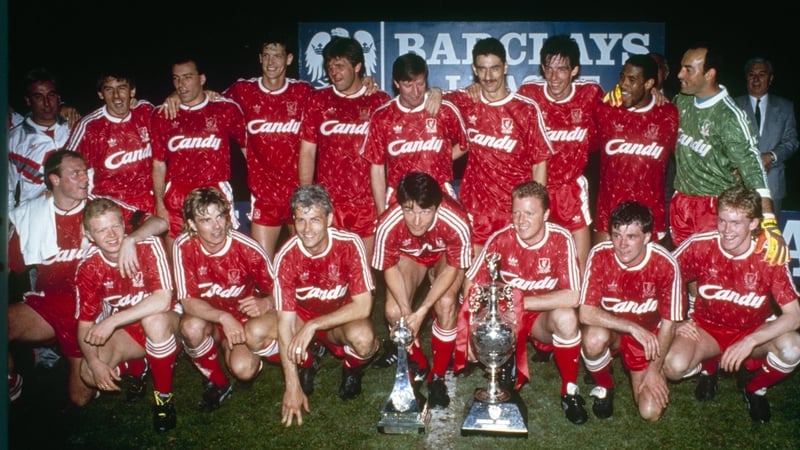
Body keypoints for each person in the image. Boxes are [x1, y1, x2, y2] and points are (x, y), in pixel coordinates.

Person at [7, 149, 168, 407]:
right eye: (76, 173)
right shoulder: (32, 214)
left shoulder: (99, 210)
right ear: (54, 179)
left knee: (80, 396)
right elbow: (9, 265)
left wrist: (132, 238)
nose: (85, 179)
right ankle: (10, 380)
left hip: (91, 308)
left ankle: (131, 361)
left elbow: (159, 223)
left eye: (85, 172)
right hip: (48, 305)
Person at [664, 186, 800, 423]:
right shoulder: (701, 244)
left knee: (793, 348)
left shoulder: (769, 254)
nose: (726, 230)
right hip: (707, 329)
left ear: (754, 223)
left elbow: (794, 316)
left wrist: (750, 341)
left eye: (736, 223)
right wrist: (676, 322)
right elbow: (660, 277)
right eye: (722, 220)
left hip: (754, 329)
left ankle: (754, 388)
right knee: (673, 367)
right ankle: (709, 365)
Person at [456, 181, 588, 424]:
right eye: (516, 212)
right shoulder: (500, 239)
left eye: (529, 213)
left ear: (546, 214)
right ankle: (504, 361)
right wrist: (471, 331)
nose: (521, 220)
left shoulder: (561, 239)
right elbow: (471, 283)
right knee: (487, 339)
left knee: (567, 317)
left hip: (540, 317)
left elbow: (574, 295)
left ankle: (569, 391)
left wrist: (520, 301)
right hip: (508, 318)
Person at [671, 42, 787, 266]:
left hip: (713, 206)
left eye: (688, 69)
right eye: (681, 67)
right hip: (681, 201)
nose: (679, 74)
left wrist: (769, 219)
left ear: (709, 74)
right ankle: (695, 303)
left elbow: (752, 167)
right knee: (688, 268)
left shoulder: (729, 117)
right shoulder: (682, 101)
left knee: (712, 269)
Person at [274, 184, 378, 427]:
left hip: (337, 320)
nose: (307, 229)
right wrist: (292, 386)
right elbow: (285, 324)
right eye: (300, 220)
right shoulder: (286, 255)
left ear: (329, 219)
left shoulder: (349, 243)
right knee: (260, 333)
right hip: (301, 318)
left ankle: (351, 369)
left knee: (364, 340)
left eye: (314, 219)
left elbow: (363, 306)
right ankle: (307, 363)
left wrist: (314, 325)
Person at [75, 198, 180, 432]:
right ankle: (140, 362)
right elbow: (84, 325)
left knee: (153, 320)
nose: (111, 235)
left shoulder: (148, 245)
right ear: (89, 235)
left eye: (115, 226)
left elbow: (162, 300)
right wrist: (94, 360)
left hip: (170, 321)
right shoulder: (88, 268)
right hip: (130, 331)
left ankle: (164, 401)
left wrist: (111, 321)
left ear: (125, 225)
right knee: (89, 373)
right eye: (101, 230)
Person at [370, 172, 472, 409]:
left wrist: (422, 311)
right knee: (394, 312)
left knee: (445, 304)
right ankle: (419, 363)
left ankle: (437, 377)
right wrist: (408, 313)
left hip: (444, 257)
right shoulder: (388, 223)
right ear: (400, 205)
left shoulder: (456, 219)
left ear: (437, 206)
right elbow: (389, 268)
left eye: (425, 211)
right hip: (410, 256)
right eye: (409, 210)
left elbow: (454, 267)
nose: (416, 220)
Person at [172, 187, 279, 412]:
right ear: (192, 224)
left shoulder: (246, 247)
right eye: (206, 220)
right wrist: (223, 316)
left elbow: (280, 289)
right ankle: (218, 382)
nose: (217, 226)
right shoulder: (183, 247)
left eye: (219, 216)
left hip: (242, 320)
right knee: (190, 327)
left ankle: (273, 353)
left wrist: (266, 302)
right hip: (209, 318)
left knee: (244, 370)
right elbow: (188, 301)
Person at [445, 37, 553, 255]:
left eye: (494, 68)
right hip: (476, 208)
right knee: (475, 277)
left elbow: (540, 161)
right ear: (475, 69)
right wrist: (436, 93)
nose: (488, 76)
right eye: (482, 70)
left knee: (512, 276)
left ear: (505, 67)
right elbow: (423, 99)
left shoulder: (526, 109)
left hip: (514, 210)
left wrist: (534, 208)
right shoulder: (465, 102)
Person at [579, 201, 684, 422]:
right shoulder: (600, 254)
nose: (622, 244)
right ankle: (605, 385)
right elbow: (586, 313)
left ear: (647, 237)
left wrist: (655, 370)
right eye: (616, 235)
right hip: (615, 331)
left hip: (647, 341)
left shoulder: (664, 263)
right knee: (593, 339)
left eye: (631, 237)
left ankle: (649, 372)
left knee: (650, 413)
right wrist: (631, 327)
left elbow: (669, 323)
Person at [219, 33, 315, 259]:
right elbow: (205, 103)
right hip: (263, 193)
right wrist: (176, 96)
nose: (272, 63)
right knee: (261, 263)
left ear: (289, 59)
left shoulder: (304, 93)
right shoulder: (242, 91)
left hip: (297, 192)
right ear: (260, 58)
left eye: (278, 56)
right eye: (267, 56)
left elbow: (336, 100)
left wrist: (366, 81)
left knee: (304, 261)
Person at [516, 34, 604, 271]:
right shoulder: (528, 94)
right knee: (534, 266)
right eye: (549, 69)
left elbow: (626, 107)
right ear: (543, 68)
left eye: (562, 69)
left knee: (580, 266)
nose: (554, 77)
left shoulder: (591, 95)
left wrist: (656, 93)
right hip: (535, 186)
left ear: (574, 70)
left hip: (570, 190)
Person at [298, 37, 391, 257]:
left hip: (367, 204)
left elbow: (392, 155)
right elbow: (307, 151)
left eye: (340, 66)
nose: (334, 72)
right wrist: (305, 197)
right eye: (330, 66)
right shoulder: (318, 101)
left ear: (357, 66)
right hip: (329, 203)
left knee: (364, 277)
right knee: (331, 274)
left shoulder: (378, 101)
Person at [150, 55, 246, 252]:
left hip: (215, 191)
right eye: (176, 78)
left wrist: (257, 189)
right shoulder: (163, 115)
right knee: (176, 256)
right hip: (177, 195)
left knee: (221, 255)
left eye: (187, 77)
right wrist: (160, 205)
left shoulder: (225, 109)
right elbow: (158, 164)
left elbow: (248, 150)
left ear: (201, 79)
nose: (181, 84)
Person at [361, 52, 468, 215]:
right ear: (396, 83)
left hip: (439, 192)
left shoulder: (443, 109)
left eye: (420, 83)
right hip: (398, 196)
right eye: (408, 85)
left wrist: (443, 156)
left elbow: (465, 144)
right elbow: (377, 168)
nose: (415, 91)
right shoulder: (383, 116)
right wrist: (381, 211)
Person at [593, 54, 679, 243]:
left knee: (647, 272)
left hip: (649, 218)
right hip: (608, 214)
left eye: (632, 80)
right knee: (603, 271)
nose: (623, 84)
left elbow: (685, 160)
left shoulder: (668, 114)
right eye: (622, 76)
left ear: (649, 84)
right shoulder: (605, 110)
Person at [66, 69, 157, 213]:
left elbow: (175, 113)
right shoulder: (90, 127)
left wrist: (177, 95)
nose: (116, 96)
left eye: (122, 88)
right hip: (111, 209)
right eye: (109, 90)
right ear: (100, 94)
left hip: (152, 203)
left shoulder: (146, 112)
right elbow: (64, 165)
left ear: (132, 91)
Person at [733, 57, 798, 217]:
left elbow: (792, 141)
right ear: (746, 77)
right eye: (751, 74)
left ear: (770, 78)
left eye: (761, 74)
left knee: (768, 237)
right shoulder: (732, 106)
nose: (756, 79)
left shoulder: (786, 107)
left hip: (773, 185)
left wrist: (771, 156)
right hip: (739, 184)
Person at [8, 68, 72, 209]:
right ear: (28, 100)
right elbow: (7, 191)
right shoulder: (14, 140)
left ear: (59, 98)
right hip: (35, 215)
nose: (47, 103)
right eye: (38, 97)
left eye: (51, 95)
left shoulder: (73, 127)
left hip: (75, 210)